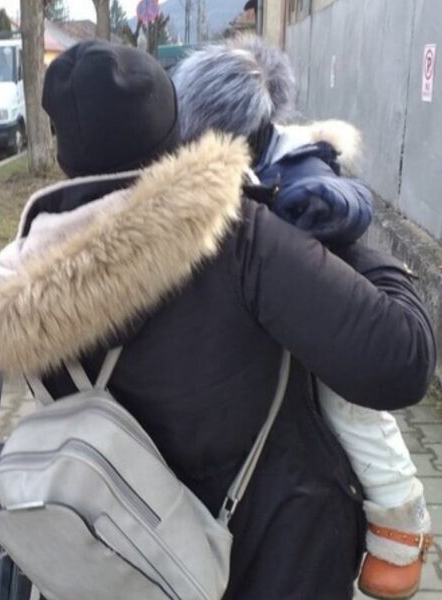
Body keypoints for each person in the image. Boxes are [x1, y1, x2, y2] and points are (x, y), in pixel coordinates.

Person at [0, 40, 436, 599]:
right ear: (173, 123)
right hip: (283, 563)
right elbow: (401, 361)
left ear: (61, 151)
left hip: (137, 571)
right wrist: (348, 238)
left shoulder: (23, 286)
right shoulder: (241, 237)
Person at [174, 36, 432, 600]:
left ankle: (401, 520)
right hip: (274, 518)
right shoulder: (234, 195)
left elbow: (349, 202)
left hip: (320, 327)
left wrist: (320, 218)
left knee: (351, 408)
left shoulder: (290, 170)